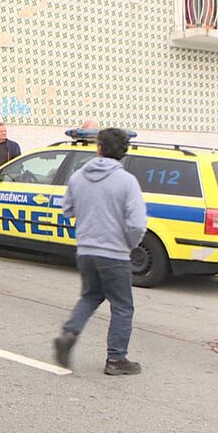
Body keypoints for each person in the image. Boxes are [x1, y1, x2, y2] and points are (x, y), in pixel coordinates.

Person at [53, 128, 148, 376]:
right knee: (122, 306)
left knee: (91, 296)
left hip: (86, 250)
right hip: (114, 253)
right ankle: (116, 359)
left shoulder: (78, 177)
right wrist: (128, 245)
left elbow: (67, 210)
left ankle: (69, 333)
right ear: (124, 152)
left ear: (99, 149)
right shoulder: (127, 181)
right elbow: (137, 224)